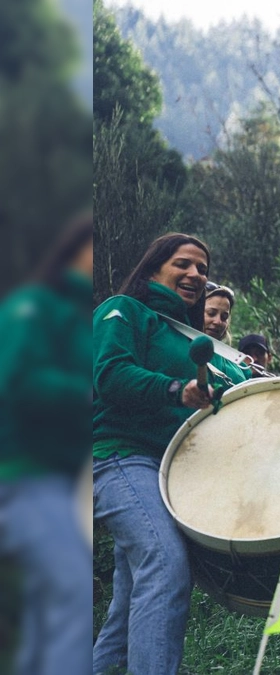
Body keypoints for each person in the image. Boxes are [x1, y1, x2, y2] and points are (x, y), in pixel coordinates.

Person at [93, 233, 249, 674]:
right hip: (121, 458)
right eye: (183, 264)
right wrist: (175, 389)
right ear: (152, 268)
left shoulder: (192, 338)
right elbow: (110, 374)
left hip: (171, 473)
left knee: (128, 607)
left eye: (203, 268)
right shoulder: (124, 310)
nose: (196, 275)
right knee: (164, 565)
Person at [0, 217, 93, 675]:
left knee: (46, 611)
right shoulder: (34, 305)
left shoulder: (82, 321)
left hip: (62, 480)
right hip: (27, 473)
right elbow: (16, 380)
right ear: (72, 249)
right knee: (72, 593)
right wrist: (85, 393)